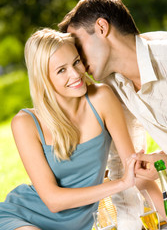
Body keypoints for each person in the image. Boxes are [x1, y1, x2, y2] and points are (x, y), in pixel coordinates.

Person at [0, 27, 153, 230]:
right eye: (61, 70)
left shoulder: (101, 98)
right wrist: (122, 183)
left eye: (76, 62)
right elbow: (54, 201)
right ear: (43, 79)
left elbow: (135, 171)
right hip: (24, 218)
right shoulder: (26, 123)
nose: (75, 74)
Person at [58, 0, 167, 229]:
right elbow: (123, 164)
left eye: (79, 47)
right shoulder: (114, 86)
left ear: (102, 27)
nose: (79, 64)